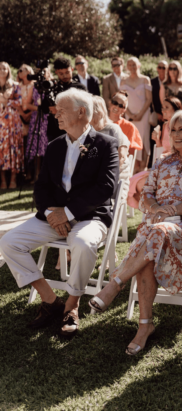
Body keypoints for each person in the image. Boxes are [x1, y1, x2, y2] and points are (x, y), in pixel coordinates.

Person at [89, 110, 182, 356]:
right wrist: (156, 209)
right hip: (158, 228)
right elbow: (146, 193)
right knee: (149, 251)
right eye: (173, 130)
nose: (175, 134)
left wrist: (170, 210)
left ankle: (115, 284)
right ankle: (144, 326)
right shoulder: (162, 161)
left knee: (154, 232)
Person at [0, 88, 119, 338]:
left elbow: (106, 188)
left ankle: (72, 305)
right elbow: (41, 187)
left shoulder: (106, 144)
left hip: (90, 216)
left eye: (62, 110)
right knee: (9, 242)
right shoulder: (54, 146)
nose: (56, 115)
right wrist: (50, 213)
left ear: (81, 112)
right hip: (53, 216)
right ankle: (50, 300)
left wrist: (68, 212)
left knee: (84, 244)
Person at [127, 96, 182, 209]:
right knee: (133, 181)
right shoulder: (164, 125)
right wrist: (157, 140)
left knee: (142, 184)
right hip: (163, 165)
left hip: (176, 167)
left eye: (167, 107)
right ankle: (151, 211)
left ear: (176, 110)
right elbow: (161, 150)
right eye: (162, 108)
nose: (163, 110)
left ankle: (155, 210)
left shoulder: (180, 127)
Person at [43, 57, 87, 142]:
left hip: (75, 130)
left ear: (72, 69)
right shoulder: (52, 88)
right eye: (61, 73)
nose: (65, 76)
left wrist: (60, 110)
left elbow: (85, 110)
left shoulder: (80, 88)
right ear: (56, 72)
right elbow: (44, 108)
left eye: (67, 72)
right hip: (55, 131)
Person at [121, 57, 152, 172]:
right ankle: (132, 171)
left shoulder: (145, 79)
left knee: (144, 141)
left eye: (134, 64)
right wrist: (129, 114)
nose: (132, 67)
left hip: (143, 115)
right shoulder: (123, 81)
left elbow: (149, 99)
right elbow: (122, 99)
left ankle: (143, 170)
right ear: (127, 67)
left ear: (138, 65)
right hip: (130, 116)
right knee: (131, 141)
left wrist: (140, 114)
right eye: (129, 65)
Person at [0, 61, 24, 189]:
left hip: (13, 121)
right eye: (0, 68)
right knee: (1, 149)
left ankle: (13, 179)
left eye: (5, 68)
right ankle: (3, 180)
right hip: (0, 122)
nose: (2, 70)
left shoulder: (15, 85)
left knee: (13, 147)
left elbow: (19, 102)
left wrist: (6, 101)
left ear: (8, 70)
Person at [25, 67, 52, 179]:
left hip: (49, 119)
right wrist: (39, 108)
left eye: (44, 71)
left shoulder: (51, 84)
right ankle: (36, 174)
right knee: (36, 146)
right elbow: (27, 104)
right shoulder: (34, 87)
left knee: (47, 145)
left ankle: (49, 174)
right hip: (37, 118)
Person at [109, 91, 143, 160]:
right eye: (115, 103)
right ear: (110, 103)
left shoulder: (130, 127)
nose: (117, 107)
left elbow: (131, 156)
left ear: (124, 110)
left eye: (121, 106)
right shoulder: (100, 122)